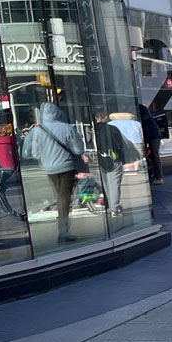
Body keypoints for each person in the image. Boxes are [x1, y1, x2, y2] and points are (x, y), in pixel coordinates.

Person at [23, 103, 89, 242]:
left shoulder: (39, 130)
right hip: (67, 167)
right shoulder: (67, 128)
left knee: (60, 197)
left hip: (49, 169)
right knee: (64, 198)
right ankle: (63, 232)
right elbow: (78, 149)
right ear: (57, 113)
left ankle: (63, 229)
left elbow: (35, 153)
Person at [94, 113, 141, 218]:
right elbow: (124, 143)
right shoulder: (113, 128)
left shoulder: (95, 130)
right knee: (114, 184)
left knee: (106, 184)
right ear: (105, 118)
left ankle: (109, 204)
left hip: (102, 159)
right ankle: (115, 207)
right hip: (114, 159)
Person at [138, 103, 163, 185]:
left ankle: (159, 178)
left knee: (154, 155)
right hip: (145, 135)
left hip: (153, 134)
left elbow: (145, 118)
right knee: (144, 154)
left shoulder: (142, 108)